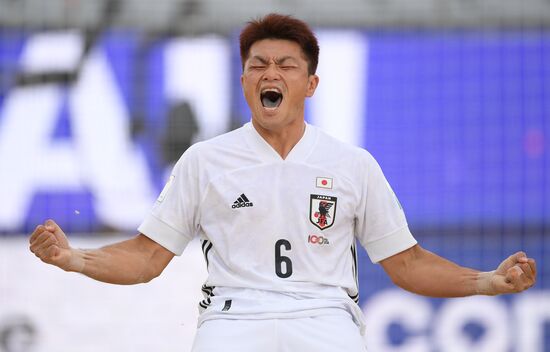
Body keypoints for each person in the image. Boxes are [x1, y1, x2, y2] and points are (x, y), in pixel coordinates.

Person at [29, 13, 536, 352]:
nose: (270, 72)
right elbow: (146, 257)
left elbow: (406, 263)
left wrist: (487, 282)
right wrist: (73, 258)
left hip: (325, 319)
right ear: (246, 82)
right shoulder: (205, 160)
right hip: (233, 319)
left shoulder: (352, 164)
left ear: (310, 84)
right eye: (258, 65)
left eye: (285, 65)